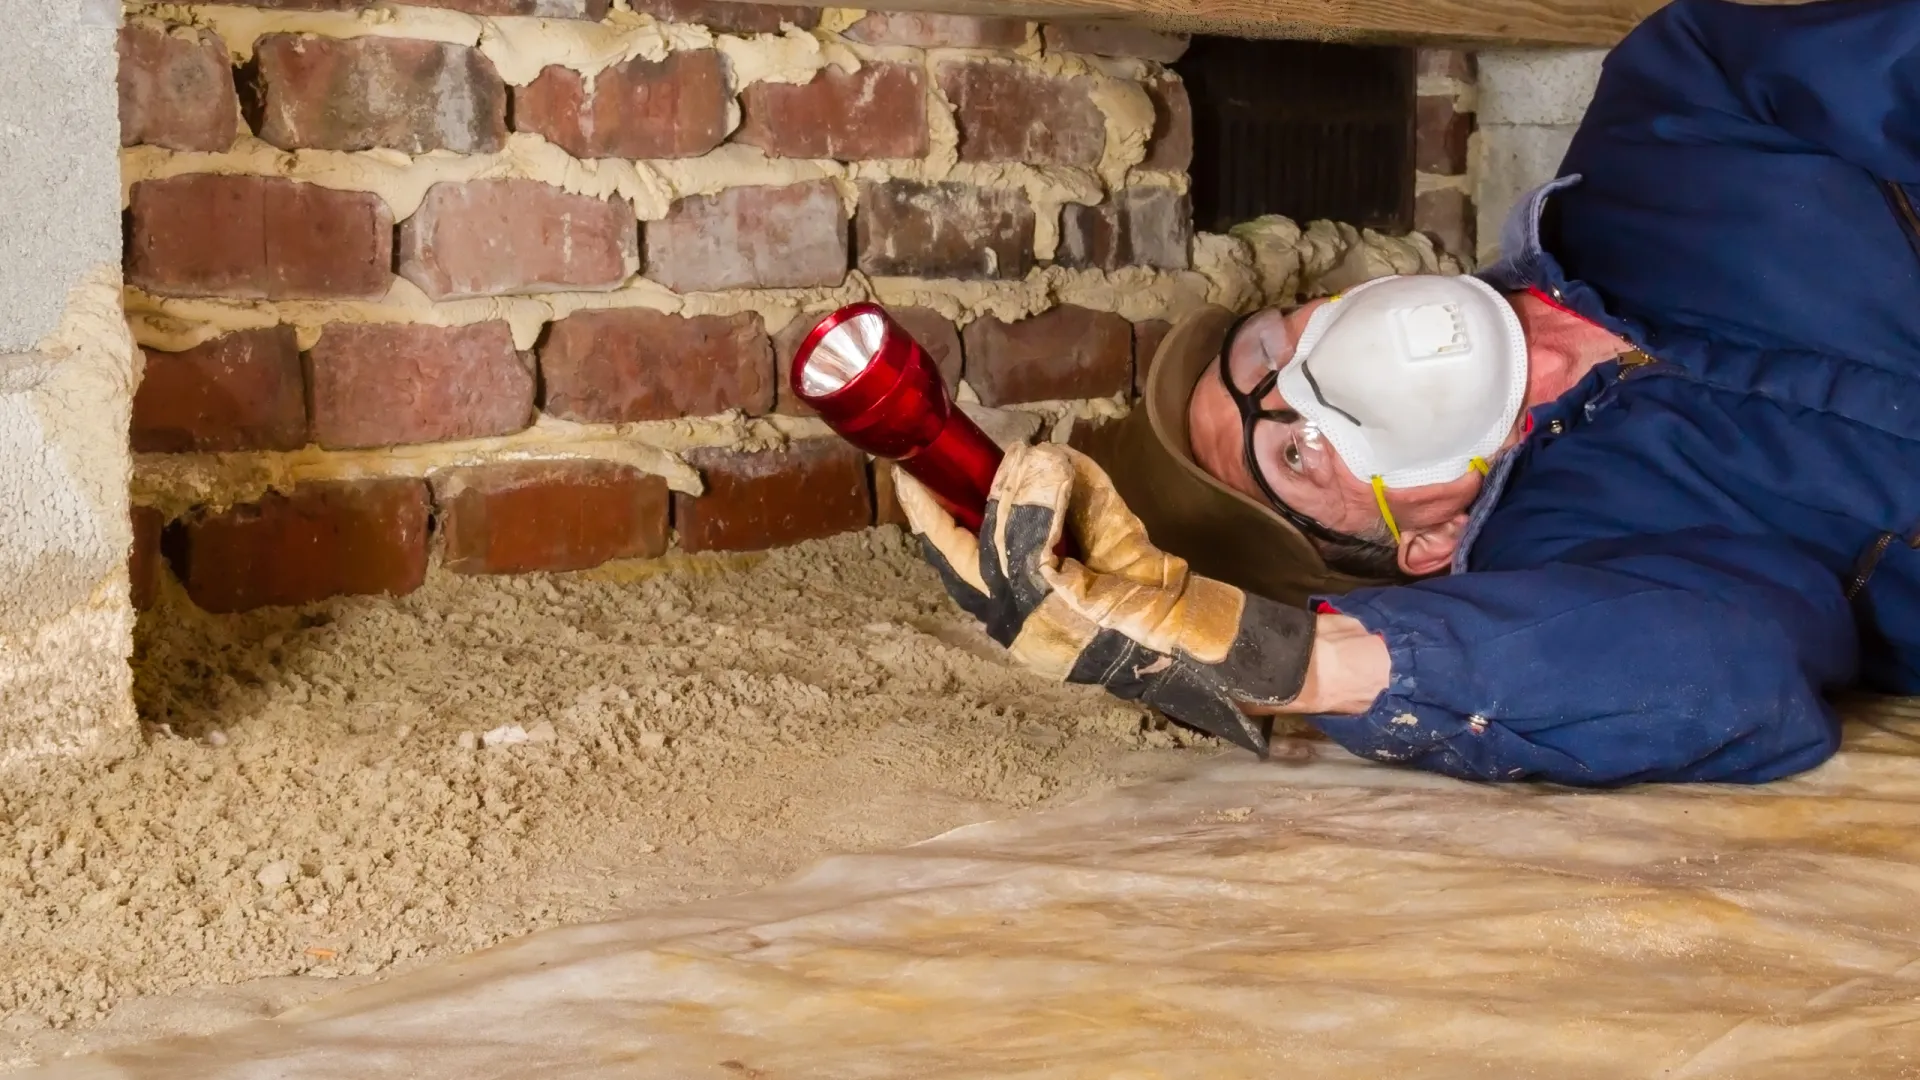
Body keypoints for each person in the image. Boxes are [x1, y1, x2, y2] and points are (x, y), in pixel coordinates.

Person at [892, 0, 1920, 787]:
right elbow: (1719, 673)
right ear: (1415, 546)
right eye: (1293, 452)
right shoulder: (1580, 569)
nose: (1304, 382)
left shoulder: (1671, 118)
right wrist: (1287, 660)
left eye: (1261, 356)